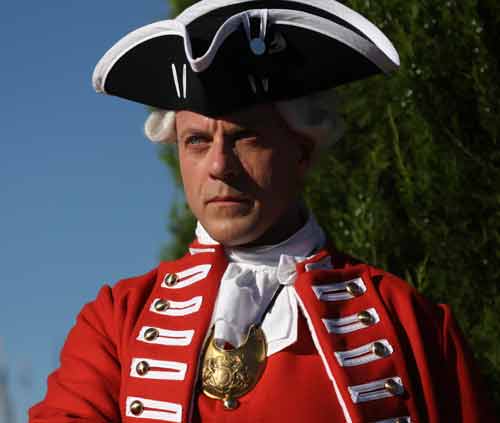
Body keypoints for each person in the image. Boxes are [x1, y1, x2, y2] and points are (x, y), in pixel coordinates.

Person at [30, 1, 493, 422]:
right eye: (197, 141)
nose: (218, 166)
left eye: (245, 136)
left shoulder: (412, 323)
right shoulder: (115, 324)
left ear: (302, 149)